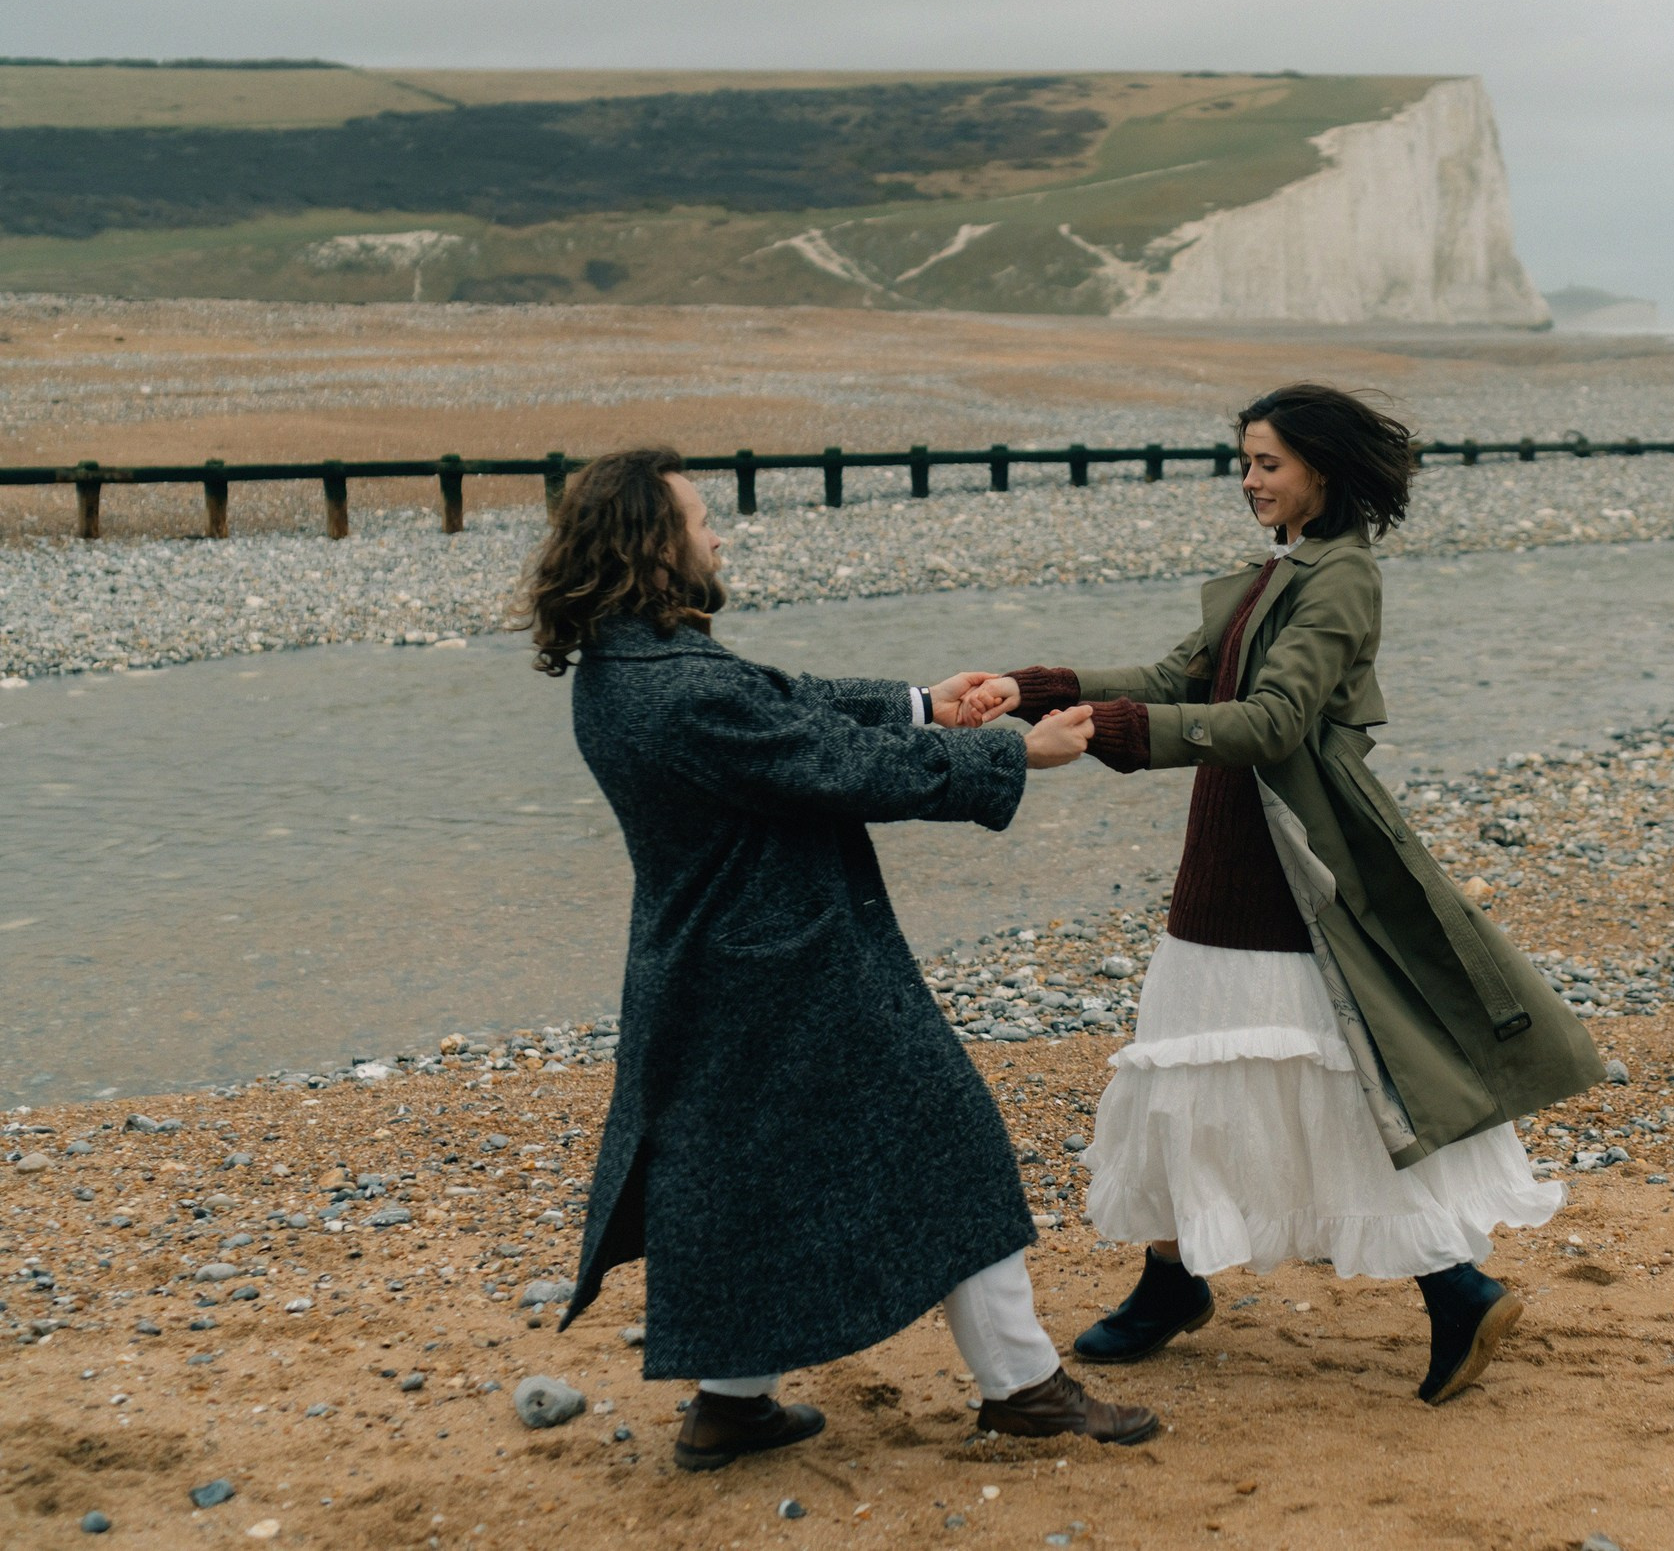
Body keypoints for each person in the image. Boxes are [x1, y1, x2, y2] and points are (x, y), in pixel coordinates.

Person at [514, 445, 1159, 1470]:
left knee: (746, 1182)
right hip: (785, 971)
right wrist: (1006, 751)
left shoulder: (629, 665)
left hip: (725, 968)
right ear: (651, 542)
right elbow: (825, 760)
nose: (714, 532)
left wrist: (923, 702)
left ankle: (731, 1407)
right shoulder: (674, 686)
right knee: (952, 1143)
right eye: (696, 517)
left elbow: (785, 701)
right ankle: (1024, 1391)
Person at [967, 385, 1605, 1405]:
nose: (1249, 479)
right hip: (1227, 856)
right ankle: (1175, 1283)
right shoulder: (1282, 572)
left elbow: (1268, 724)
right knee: (1191, 1076)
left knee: (1320, 1083)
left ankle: (1455, 1289)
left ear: (1322, 469)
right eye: (1247, 461)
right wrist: (1033, 686)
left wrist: (1123, 735)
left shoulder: (1340, 580)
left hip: (1285, 869)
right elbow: (1180, 673)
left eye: (1267, 463)